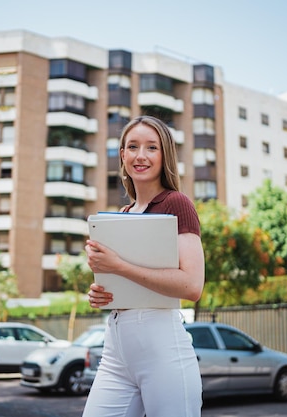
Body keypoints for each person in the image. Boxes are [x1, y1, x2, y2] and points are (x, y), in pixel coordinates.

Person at [83, 115, 205, 417]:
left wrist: (119, 266)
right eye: (133, 147)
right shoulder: (122, 214)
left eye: (152, 147)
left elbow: (192, 286)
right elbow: (122, 282)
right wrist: (100, 292)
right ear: (122, 155)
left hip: (161, 347)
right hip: (115, 348)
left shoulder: (176, 203)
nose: (141, 155)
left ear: (165, 155)